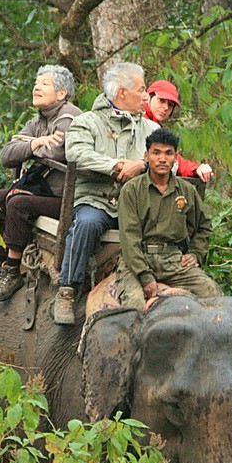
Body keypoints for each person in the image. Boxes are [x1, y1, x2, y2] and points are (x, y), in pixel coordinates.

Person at [54, 62, 158, 325]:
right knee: (87, 223)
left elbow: (172, 161)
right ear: (122, 93)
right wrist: (116, 166)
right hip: (96, 199)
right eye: (142, 89)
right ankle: (67, 290)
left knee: (167, 223)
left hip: (135, 204)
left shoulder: (151, 129)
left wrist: (143, 165)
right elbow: (76, 153)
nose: (146, 96)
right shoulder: (86, 122)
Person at [0, 65, 81, 302]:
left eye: (44, 84)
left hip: (63, 197)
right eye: (36, 83)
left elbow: (57, 151)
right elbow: (7, 155)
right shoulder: (37, 122)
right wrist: (35, 143)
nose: (36, 87)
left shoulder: (70, 116)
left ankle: (12, 269)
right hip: (40, 190)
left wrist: (30, 146)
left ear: (61, 94)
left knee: (17, 202)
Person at [116, 128, 221, 309]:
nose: (162, 159)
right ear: (146, 156)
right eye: (156, 153)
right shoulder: (131, 190)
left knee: (212, 293)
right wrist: (144, 275)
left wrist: (196, 253)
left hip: (172, 260)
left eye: (168, 153)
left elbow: (203, 226)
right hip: (138, 260)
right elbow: (129, 236)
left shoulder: (186, 190)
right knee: (134, 306)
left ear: (175, 157)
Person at [144, 79, 213, 183]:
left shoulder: (155, 125)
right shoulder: (140, 121)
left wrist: (196, 168)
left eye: (170, 105)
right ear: (148, 97)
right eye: (161, 100)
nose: (165, 107)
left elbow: (173, 159)